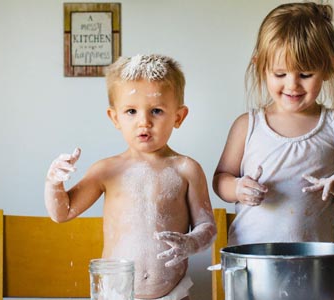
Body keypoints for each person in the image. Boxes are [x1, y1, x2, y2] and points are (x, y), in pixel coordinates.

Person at [44, 54, 216, 300]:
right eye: (131, 111)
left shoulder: (187, 169)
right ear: (115, 118)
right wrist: (54, 182)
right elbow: (62, 212)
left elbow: (207, 227)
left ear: (178, 117)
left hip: (173, 295)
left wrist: (191, 242)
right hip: (115, 294)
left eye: (156, 111)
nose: (143, 122)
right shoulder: (107, 170)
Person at [213, 2, 334, 246]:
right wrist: (237, 188)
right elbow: (221, 178)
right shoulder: (247, 125)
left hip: (315, 262)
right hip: (253, 259)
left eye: (305, 74)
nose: (292, 85)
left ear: (329, 68)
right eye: (280, 74)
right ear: (261, 67)